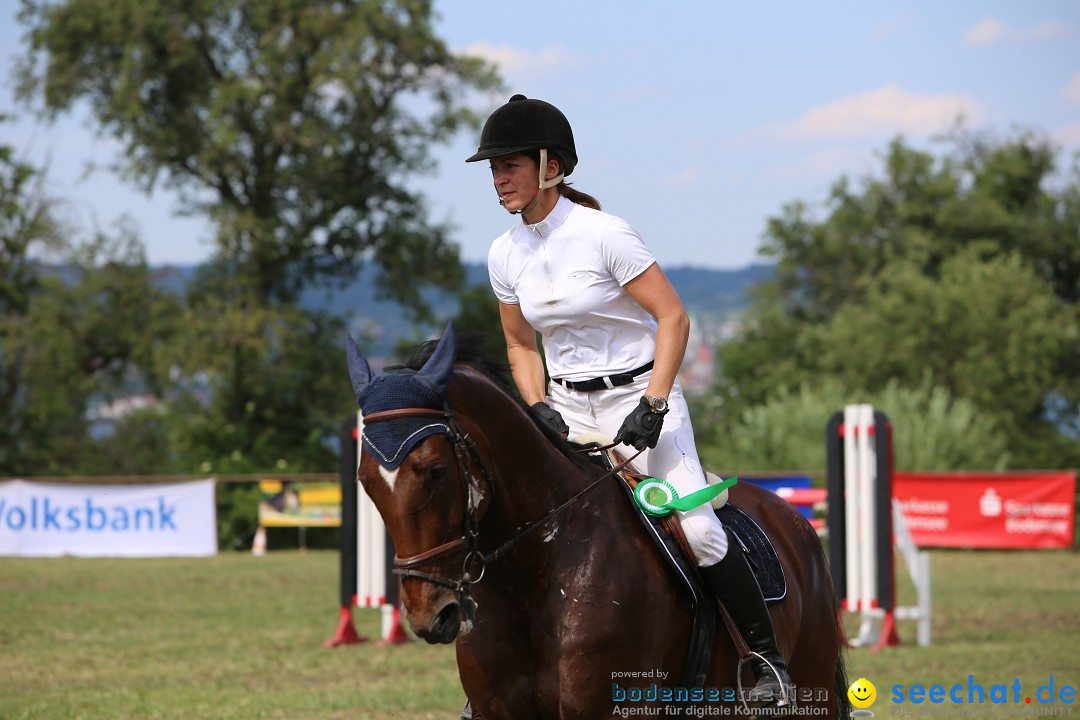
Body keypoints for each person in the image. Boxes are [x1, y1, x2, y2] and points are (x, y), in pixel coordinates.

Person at [462, 94, 793, 717]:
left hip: (639, 400)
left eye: (510, 165)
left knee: (699, 531)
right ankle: (504, 684)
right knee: (517, 532)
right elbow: (517, 342)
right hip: (565, 410)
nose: (499, 178)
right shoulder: (503, 253)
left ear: (551, 168)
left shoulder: (605, 234)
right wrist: (536, 406)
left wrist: (655, 403)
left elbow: (672, 316)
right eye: (494, 168)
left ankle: (764, 659)